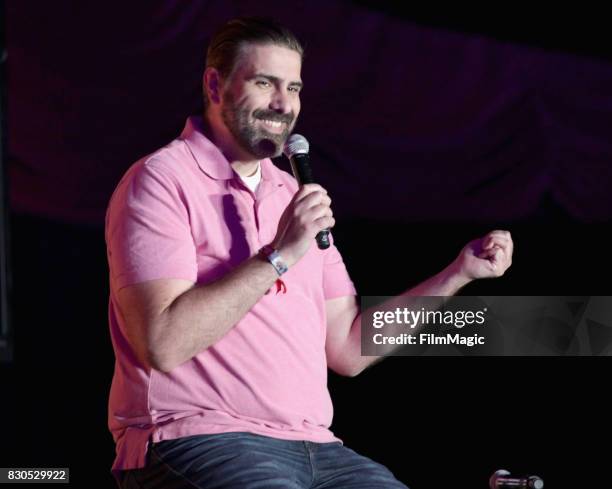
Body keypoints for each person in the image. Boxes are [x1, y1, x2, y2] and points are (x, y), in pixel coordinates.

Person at [105, 16, 513, 489]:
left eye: (294, 88)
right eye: (265, 83)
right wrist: (279, 253)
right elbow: (163, 343)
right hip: (200, 438)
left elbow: (349, 348)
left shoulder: (293, 194)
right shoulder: (161, 180)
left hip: (319, 448)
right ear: (215, 85)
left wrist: (458, 274)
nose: (284, 104)